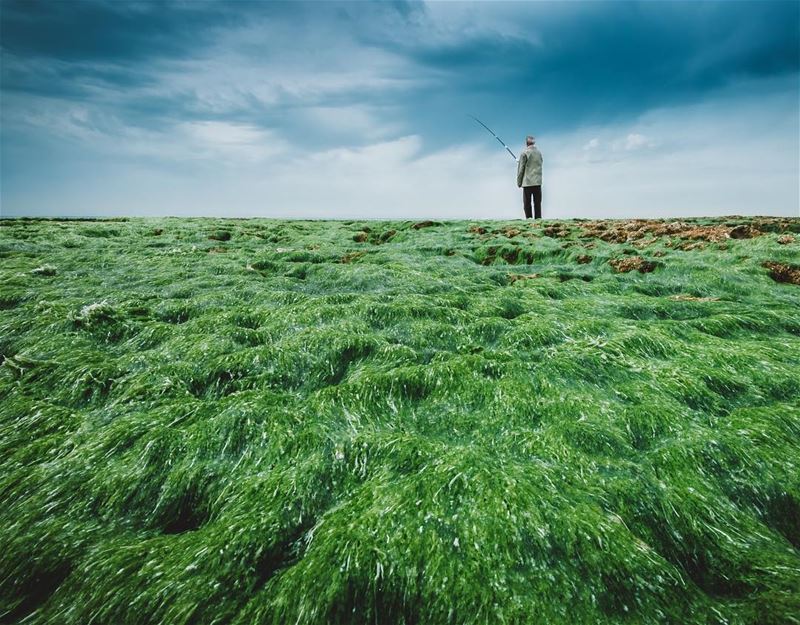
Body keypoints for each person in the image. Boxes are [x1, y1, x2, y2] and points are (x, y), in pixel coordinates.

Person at [516, 135, 543, 219]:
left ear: (526, 143)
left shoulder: (524, 153)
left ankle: (529, 219)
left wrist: (519, 182)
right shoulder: (539, 153)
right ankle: (538, 219)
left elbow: (521, 170)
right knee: (537, 203)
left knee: (527, 204)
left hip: (527, 183)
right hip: (538, 182)